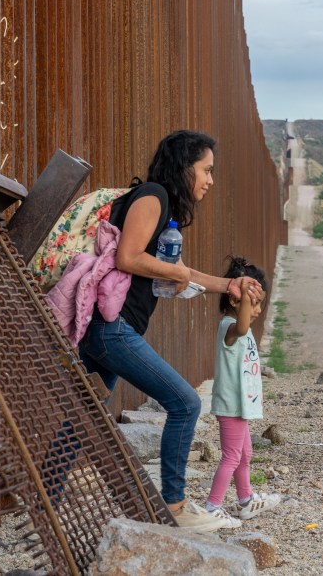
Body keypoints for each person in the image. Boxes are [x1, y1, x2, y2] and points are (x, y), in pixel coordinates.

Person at [77, 130, 264, 532]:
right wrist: (177, 271)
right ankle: (175, 506)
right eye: (206, 170)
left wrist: (226, 285)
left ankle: (47, 495)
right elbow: (129, 257)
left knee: (83, 417)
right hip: (113, 328)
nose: (210, 180)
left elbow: (178, 271)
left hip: (107, 328)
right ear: (184, 167)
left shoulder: (162, 205)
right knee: (185, 403)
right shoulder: (153, 196)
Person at [203, 256, 282, 526]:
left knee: (245, 454)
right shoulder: (230, 327)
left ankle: (246, 500)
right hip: (231, 405)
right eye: (255, 304)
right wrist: (247, 299)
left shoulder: (241, 329)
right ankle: (211, 507)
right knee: (231, 456)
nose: (258, 310)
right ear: (236, 302)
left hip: (241, 406)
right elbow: (243, 325)